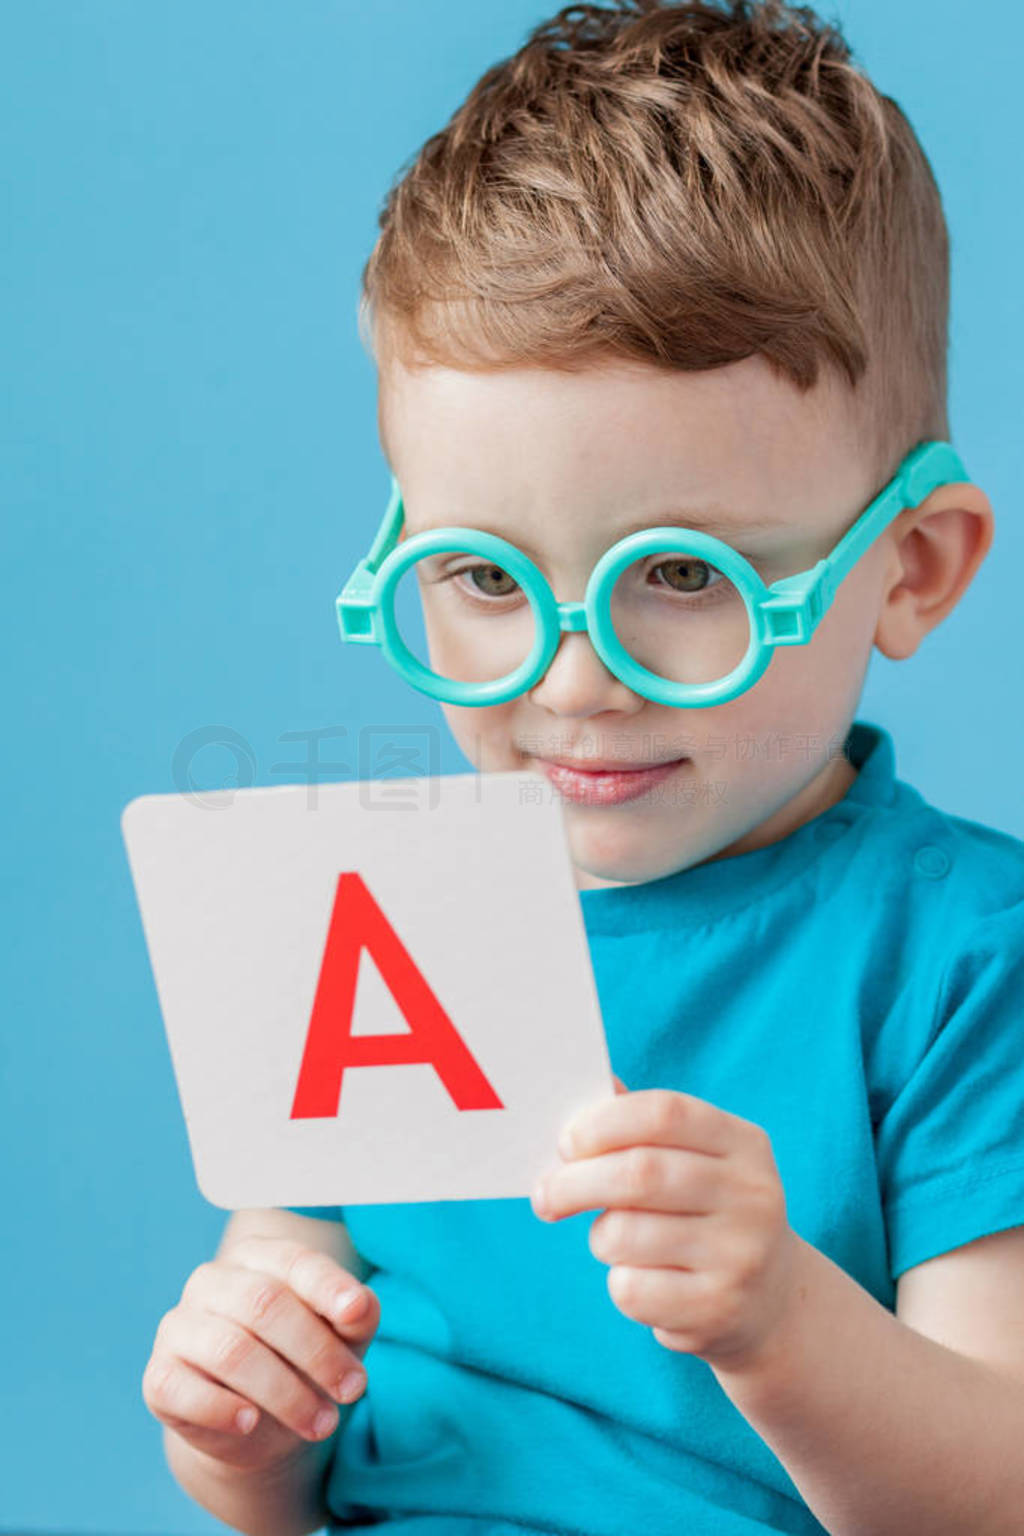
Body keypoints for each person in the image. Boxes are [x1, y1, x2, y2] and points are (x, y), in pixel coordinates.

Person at [142, 3, 1024, 1533]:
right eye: (484, 581)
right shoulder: (374, 910)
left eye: (684, 580)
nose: (575, 682)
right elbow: (274, 1445)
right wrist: (238, 1434)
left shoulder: (961, 961)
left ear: (910, 569)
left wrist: (783, 1328)